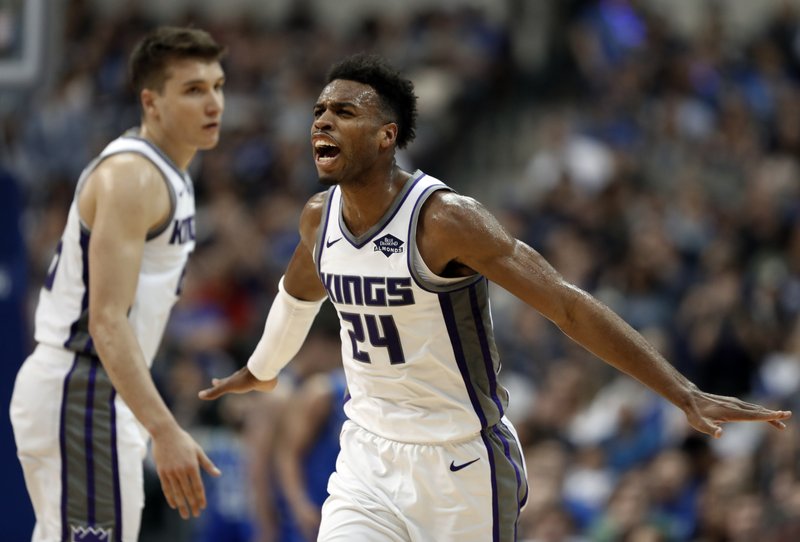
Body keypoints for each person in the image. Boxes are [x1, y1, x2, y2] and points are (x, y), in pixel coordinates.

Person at [199, 53, 791, 541]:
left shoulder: (445, 220)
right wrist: (261, 369)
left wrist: (682, 392)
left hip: (460, 464)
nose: (322, 122)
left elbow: (567, 305)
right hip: (366, 459)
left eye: (343, 112)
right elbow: (296, 298)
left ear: (386, 136)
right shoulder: (318, 218)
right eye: (319, 111)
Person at [10, 26, 226, 541]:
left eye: (218, 86)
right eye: (193, 89)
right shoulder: (133, 176)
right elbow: (106, 321)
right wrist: (165, 428)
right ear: (151, 102)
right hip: (83, 386)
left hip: (98, 390)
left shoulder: (171, 173)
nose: (213, 102)